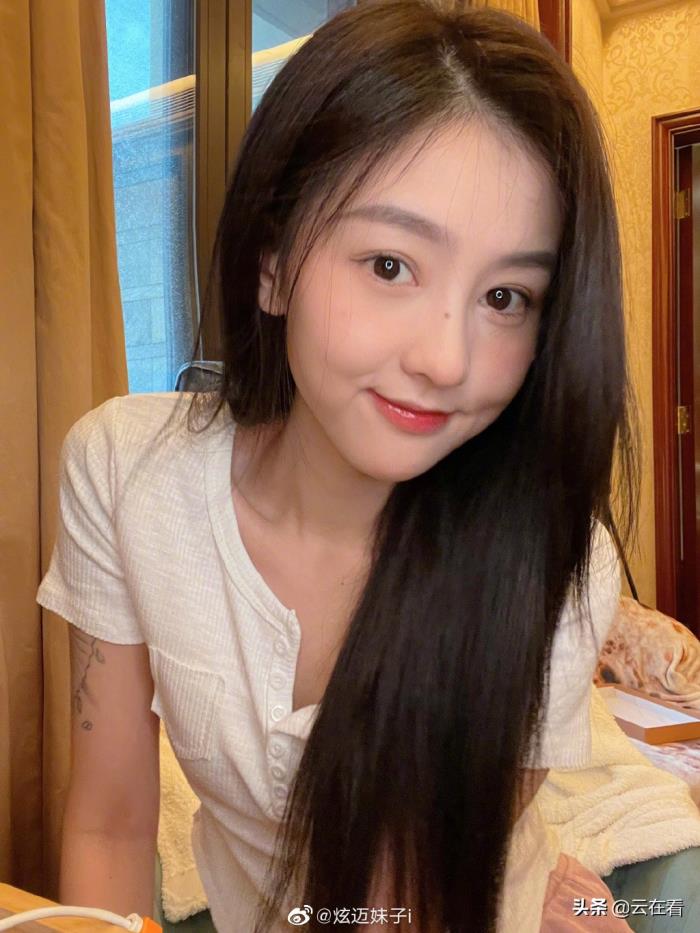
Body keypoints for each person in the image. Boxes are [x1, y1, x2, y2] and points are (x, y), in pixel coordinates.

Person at [36, 1, 642, 931]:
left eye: (506, 296)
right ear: (272, 264)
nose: (447, 359)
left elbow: (399, 907)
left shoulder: (551, 557)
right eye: (391, 265)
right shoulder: (125, 471)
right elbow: (111, 824)